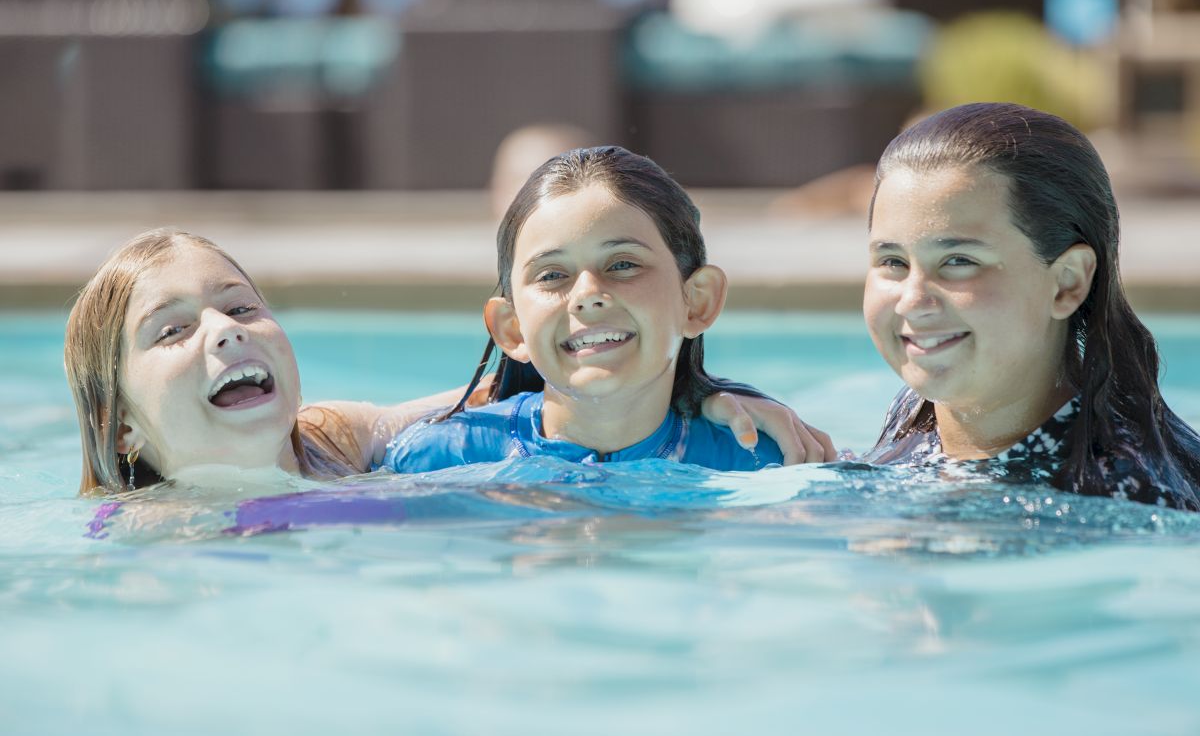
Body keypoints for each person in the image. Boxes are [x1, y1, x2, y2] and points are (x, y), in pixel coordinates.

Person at [67, 228, 821, 496]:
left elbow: (522, 383)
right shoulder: (136, 554)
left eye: (240, 307)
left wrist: (702, 391)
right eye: (171, 333)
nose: (223, 334)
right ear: (121, 425)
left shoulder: (337, 444)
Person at [380, 146, 836, 473]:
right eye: (552, 275)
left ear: (697, 300)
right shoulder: (439, 459)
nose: (587, 294)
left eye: (622, 264)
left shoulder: (763, 461)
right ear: (512, 329)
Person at [859, 102, 1200, 510]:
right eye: (893, 262)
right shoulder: (921, 411)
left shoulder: (1123, 495)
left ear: (1066, 284)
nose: (913, 301)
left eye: (959, 262)